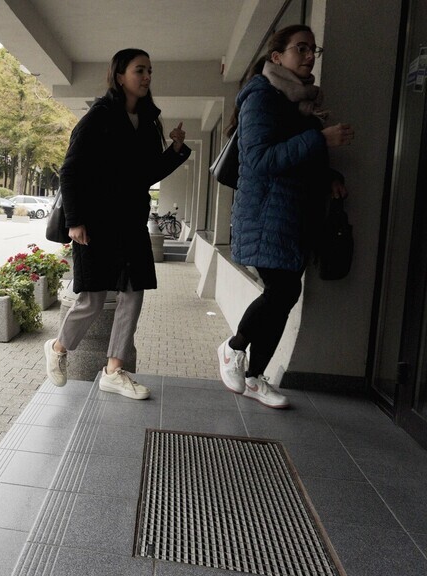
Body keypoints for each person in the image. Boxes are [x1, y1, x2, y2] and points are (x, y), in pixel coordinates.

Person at [217, 25, 354, 409]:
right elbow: (260, 159)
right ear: (277, 57)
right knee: (281, 291)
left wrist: (329, 176)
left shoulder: (299, 101)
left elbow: (299, 161)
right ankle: (233, 348)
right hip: (265, 214)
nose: (310, 56)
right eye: (301, 48)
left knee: (286, 294)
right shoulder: (261, 97)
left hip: (293, 216)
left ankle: (255, 377)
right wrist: (320, 138)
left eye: (314, 50)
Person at [44, 48, 191, 400]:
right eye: (140, 70)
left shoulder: (148, 121)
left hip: (132, 223)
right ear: (120, 75)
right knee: (93, 300)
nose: (147, 76)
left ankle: (114, 370)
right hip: (96, 224)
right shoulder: (100, 116)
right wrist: (75, 221)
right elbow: (70, 170)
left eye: (149, 70)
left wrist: (175, 149)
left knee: (132, 294)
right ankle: (59, 348)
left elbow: (147, 173)